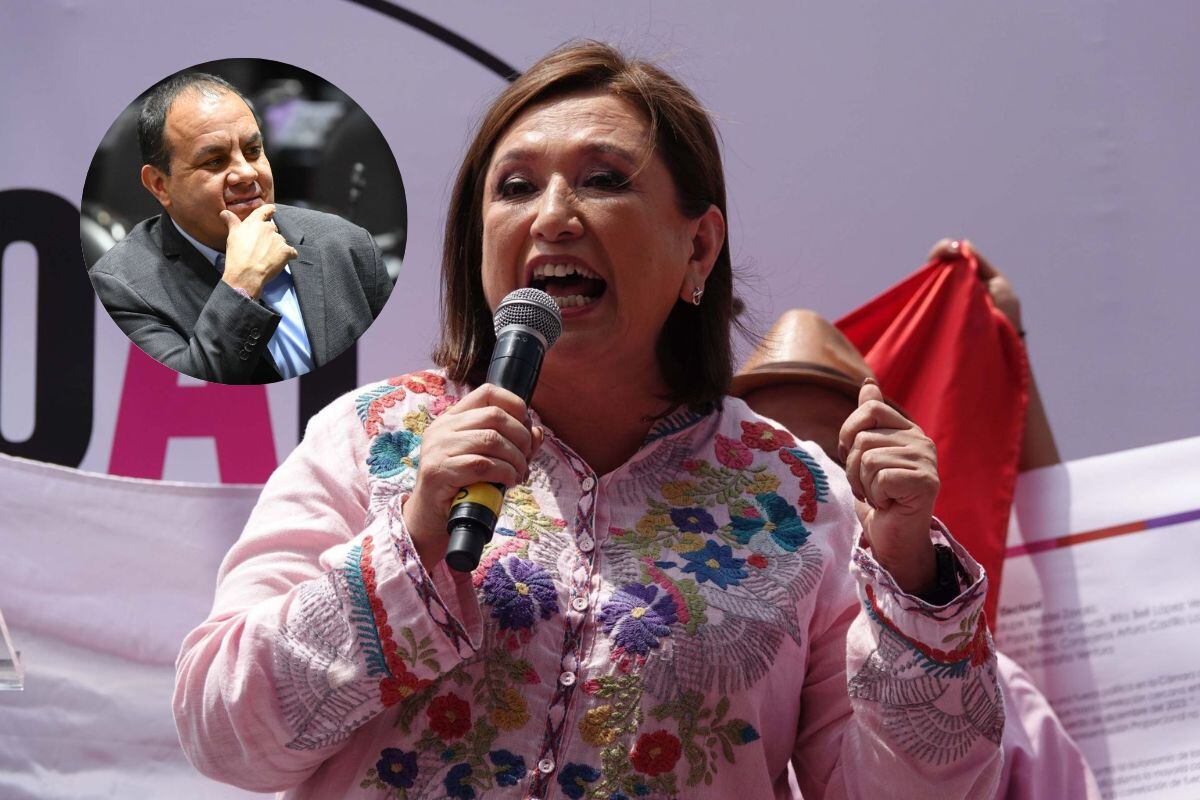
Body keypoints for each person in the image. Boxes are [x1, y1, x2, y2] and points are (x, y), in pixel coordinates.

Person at [174, 42, 1002, 798]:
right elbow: (224, 734)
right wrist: (413, 541)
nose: (553, 217)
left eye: (604, 180)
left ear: (699, 248)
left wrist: (912, 580)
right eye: (515, 187)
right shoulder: (373, 438)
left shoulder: (797, 494)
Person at [731, 250, 1100, 800]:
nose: (808, 493)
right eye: (775, 464)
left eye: (836, 462)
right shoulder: (698, 677)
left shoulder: (990, 692)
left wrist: (1005, 343)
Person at [88, 72, 394, 384]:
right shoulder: (121, 288)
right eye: (215, 161)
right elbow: (186, 394)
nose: (246, 173)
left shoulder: (347, 245)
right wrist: (242, 285)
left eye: (253, 151)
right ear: (159, 185)